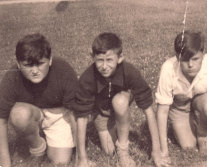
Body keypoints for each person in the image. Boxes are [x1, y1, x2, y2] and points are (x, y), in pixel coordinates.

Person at [73, 32, 162, 167]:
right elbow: (81, 117)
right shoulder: (87, 79)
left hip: (120, 102)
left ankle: (123, 150)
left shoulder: (129, 71)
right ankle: (117, 126)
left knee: (119, 102)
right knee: (109, 151)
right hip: (102, 111)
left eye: (109, 60)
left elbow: (148, 110)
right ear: (92, 57)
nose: (104, 66)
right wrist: (82, 159)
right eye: (99, 60)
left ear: (120, 58)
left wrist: (156, 150)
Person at [156, 30, 207, 164]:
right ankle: (188, 123)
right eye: (184, 60)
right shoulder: (167, 68)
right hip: (179, 107)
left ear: (203, 55)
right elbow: (162, 111)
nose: (190, 65)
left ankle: (203, 134)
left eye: (195, 59)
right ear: (177, 57)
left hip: (202, 101)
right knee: (188, 146)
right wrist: (164, 153)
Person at [0, 33, 78, 167]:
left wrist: (80, 157)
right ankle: (37, 147)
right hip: (31, 113)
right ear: (18, 64)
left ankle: (51, 137)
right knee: (19, 114)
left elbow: (75, 115)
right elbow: (1, 120)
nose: (35, 71)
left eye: (40, 64)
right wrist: (4, 163)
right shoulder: (11, 78)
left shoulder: (63, 71)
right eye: (28, 65)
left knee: (61, 161)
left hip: (58, 115)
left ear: (50, 60)